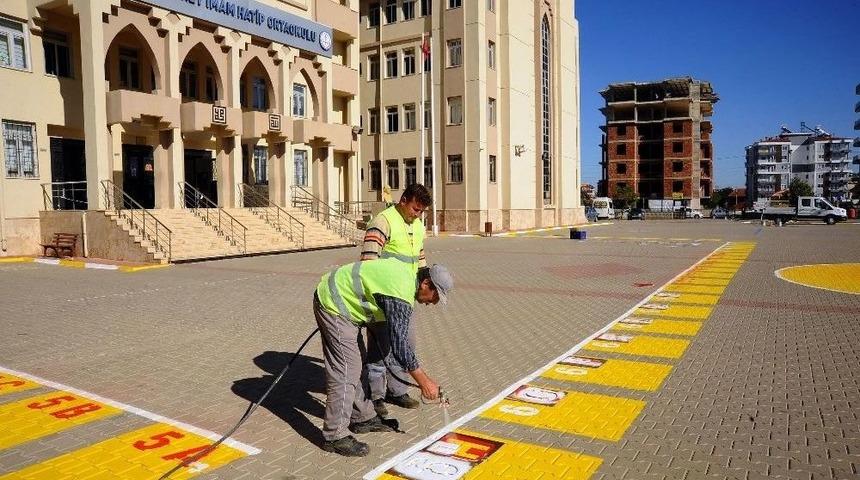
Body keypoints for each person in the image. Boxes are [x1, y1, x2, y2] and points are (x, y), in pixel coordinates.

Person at [313, 258, 454, 457]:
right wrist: (424, 382)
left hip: (346, 304)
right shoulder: (400, 294)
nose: (432, 303)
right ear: (425, 284)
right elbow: (400, 346)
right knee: (347, 370)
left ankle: (362, 418)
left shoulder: (407, 279)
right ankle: (334, 435)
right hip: (333, 303)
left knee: (359, 365)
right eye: (435, 296)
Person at [360, 184, 432, 417]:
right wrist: (377, 296)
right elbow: (368, 260)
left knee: (404, 344)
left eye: (421, 211)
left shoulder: (418, 225)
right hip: (382, 296)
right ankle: (376, 395)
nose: (417, 214)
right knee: (379, 348)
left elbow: (419, 256)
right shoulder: (383, 221)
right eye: (414, 209)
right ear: (403, 201)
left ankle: (397, 389)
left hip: (404, 297)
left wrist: (424, 279)